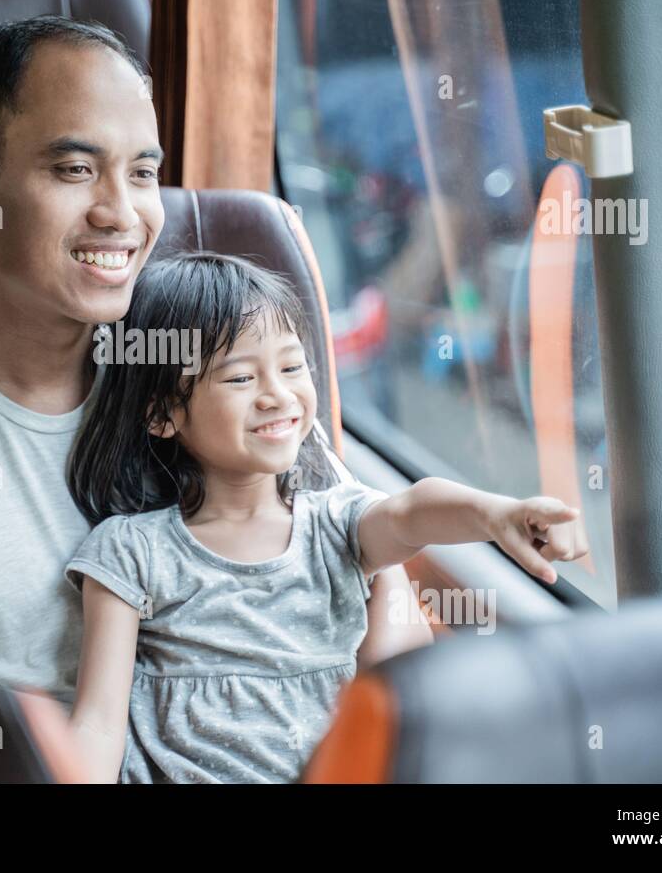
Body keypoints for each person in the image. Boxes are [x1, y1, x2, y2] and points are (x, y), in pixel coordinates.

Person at [0, 15, 433, 707]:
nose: (122, 213)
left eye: (141, 173)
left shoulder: (210, 367)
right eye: (75, 169)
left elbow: (371, 567)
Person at [64, 253, 587, 782]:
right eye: (241, 377)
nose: (278, 395)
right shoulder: (131, 551)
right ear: (162, 415)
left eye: (292, 367)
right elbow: (98, 725)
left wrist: (495, 514)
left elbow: (410, 513)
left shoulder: (334, 525)